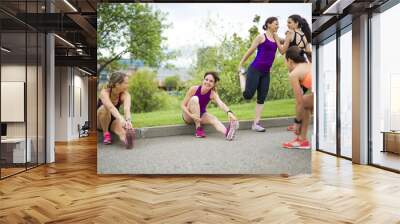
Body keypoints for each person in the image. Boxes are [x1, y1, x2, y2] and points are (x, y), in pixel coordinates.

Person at [238, 17, 279, 132]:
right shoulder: (261, 37)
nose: (278, 26)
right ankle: (242, 76)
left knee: (262, 98)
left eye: (278, 24)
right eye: (276, 24)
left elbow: (287, 41)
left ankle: (256, 124)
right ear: (268, 24)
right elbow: (250, 50)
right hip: (255, 69)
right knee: (248, 95)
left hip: (266, 72)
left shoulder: (276, 38)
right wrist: (241, 63)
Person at [273, 14, 312, 133]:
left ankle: (298, 125)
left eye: (289, 22)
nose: (287, 24)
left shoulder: (290, 33)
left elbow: (282, 50)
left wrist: (275, 39)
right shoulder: (303, 36)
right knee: (301, 100)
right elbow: (308, 51)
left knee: (300, 100)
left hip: (296, 71)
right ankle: (298, 124)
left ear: (296, 23)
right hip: (305, 68)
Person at [181, 71, 239, 140]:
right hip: (188, 116)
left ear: (214, 84)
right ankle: (198, 129)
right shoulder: (194, 89)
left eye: (211, 81)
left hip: (200, 115)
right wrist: (191, 115)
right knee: (195, 99)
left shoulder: (212, 94)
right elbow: (182, 105)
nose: (208, 82)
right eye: (206, 79)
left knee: (213, 118)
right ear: (203, 80)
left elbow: (221, 104)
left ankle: (228, 133)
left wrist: (229, 112)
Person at [282, 46, 313, 149]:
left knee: (304, 102)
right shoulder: (308, 65)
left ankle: (302, 139)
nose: (285, 65)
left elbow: (300, 102)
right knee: (306, 103)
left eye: (285, 62)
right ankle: (302, 140)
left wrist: (297, 122)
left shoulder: (294, 74)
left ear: (290, 61)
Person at [97, 72, 135, 149]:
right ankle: (106, 133)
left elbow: (126, 108)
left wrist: (128, 121)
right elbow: (111, 107)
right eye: (125, 83)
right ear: (117, 84)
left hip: (113, 120)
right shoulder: (104, 92)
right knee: (105, 108)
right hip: (100, 120)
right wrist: (121, 119)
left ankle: (127, 141)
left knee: (122, 133)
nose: (128, 85)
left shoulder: (125, 95)